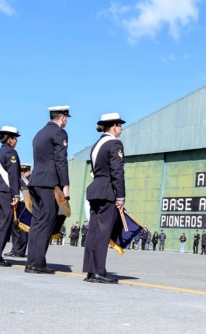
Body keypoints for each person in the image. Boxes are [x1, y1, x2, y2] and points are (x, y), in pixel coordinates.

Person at [26, 106, 71, 275]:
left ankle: (33, 261)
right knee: (46, 222)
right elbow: (61, 160)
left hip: (36, 181)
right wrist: (65, 186)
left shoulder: (39, 133)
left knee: (37, 223)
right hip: (48, 183)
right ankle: (37, 263)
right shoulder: (59, 133)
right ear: (63, 117)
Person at [83, 112, 126, 284]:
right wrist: (120, 196)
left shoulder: (97, 144)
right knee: (103, 233)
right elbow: (117, 171)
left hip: (95, 189)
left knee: (93, 231)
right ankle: (99, 271)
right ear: (114, 126)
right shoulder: (115, 143)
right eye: (120, 126)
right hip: (107, 190)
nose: (121, 129)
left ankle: (91, 270)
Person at [0, 126, 21, 267]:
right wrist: (16, 195)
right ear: (11, 139)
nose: (16, 141)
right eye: (16, 139)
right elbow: (13, 176)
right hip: (6, 191)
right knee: (3, 225)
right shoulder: (11, 153)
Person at [4, 163, 31, 257]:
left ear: (29, 171)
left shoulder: (31, 180)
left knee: (23, 230)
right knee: (15, 229)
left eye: (25, 171)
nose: (23, 173)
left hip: (26, 207)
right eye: (21, 171)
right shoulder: (18, 180)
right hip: (18, 205)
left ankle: (20, 251)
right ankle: (14, 249)